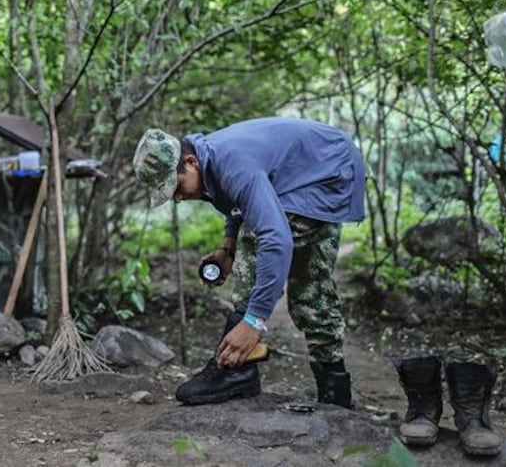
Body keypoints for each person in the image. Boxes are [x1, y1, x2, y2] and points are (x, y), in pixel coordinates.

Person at [132, 117, 366, 408]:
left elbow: (275, 238)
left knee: (258, 239)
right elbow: (242, 202)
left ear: (190, 162)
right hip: (330, 164)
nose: (178, 198)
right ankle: (335, 390)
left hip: (328, 173)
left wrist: (254, 320)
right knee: (311, 292)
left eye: (176, 187)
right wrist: (227, 247)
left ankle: (236, 369)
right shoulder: (211, 158)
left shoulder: (230, 161)